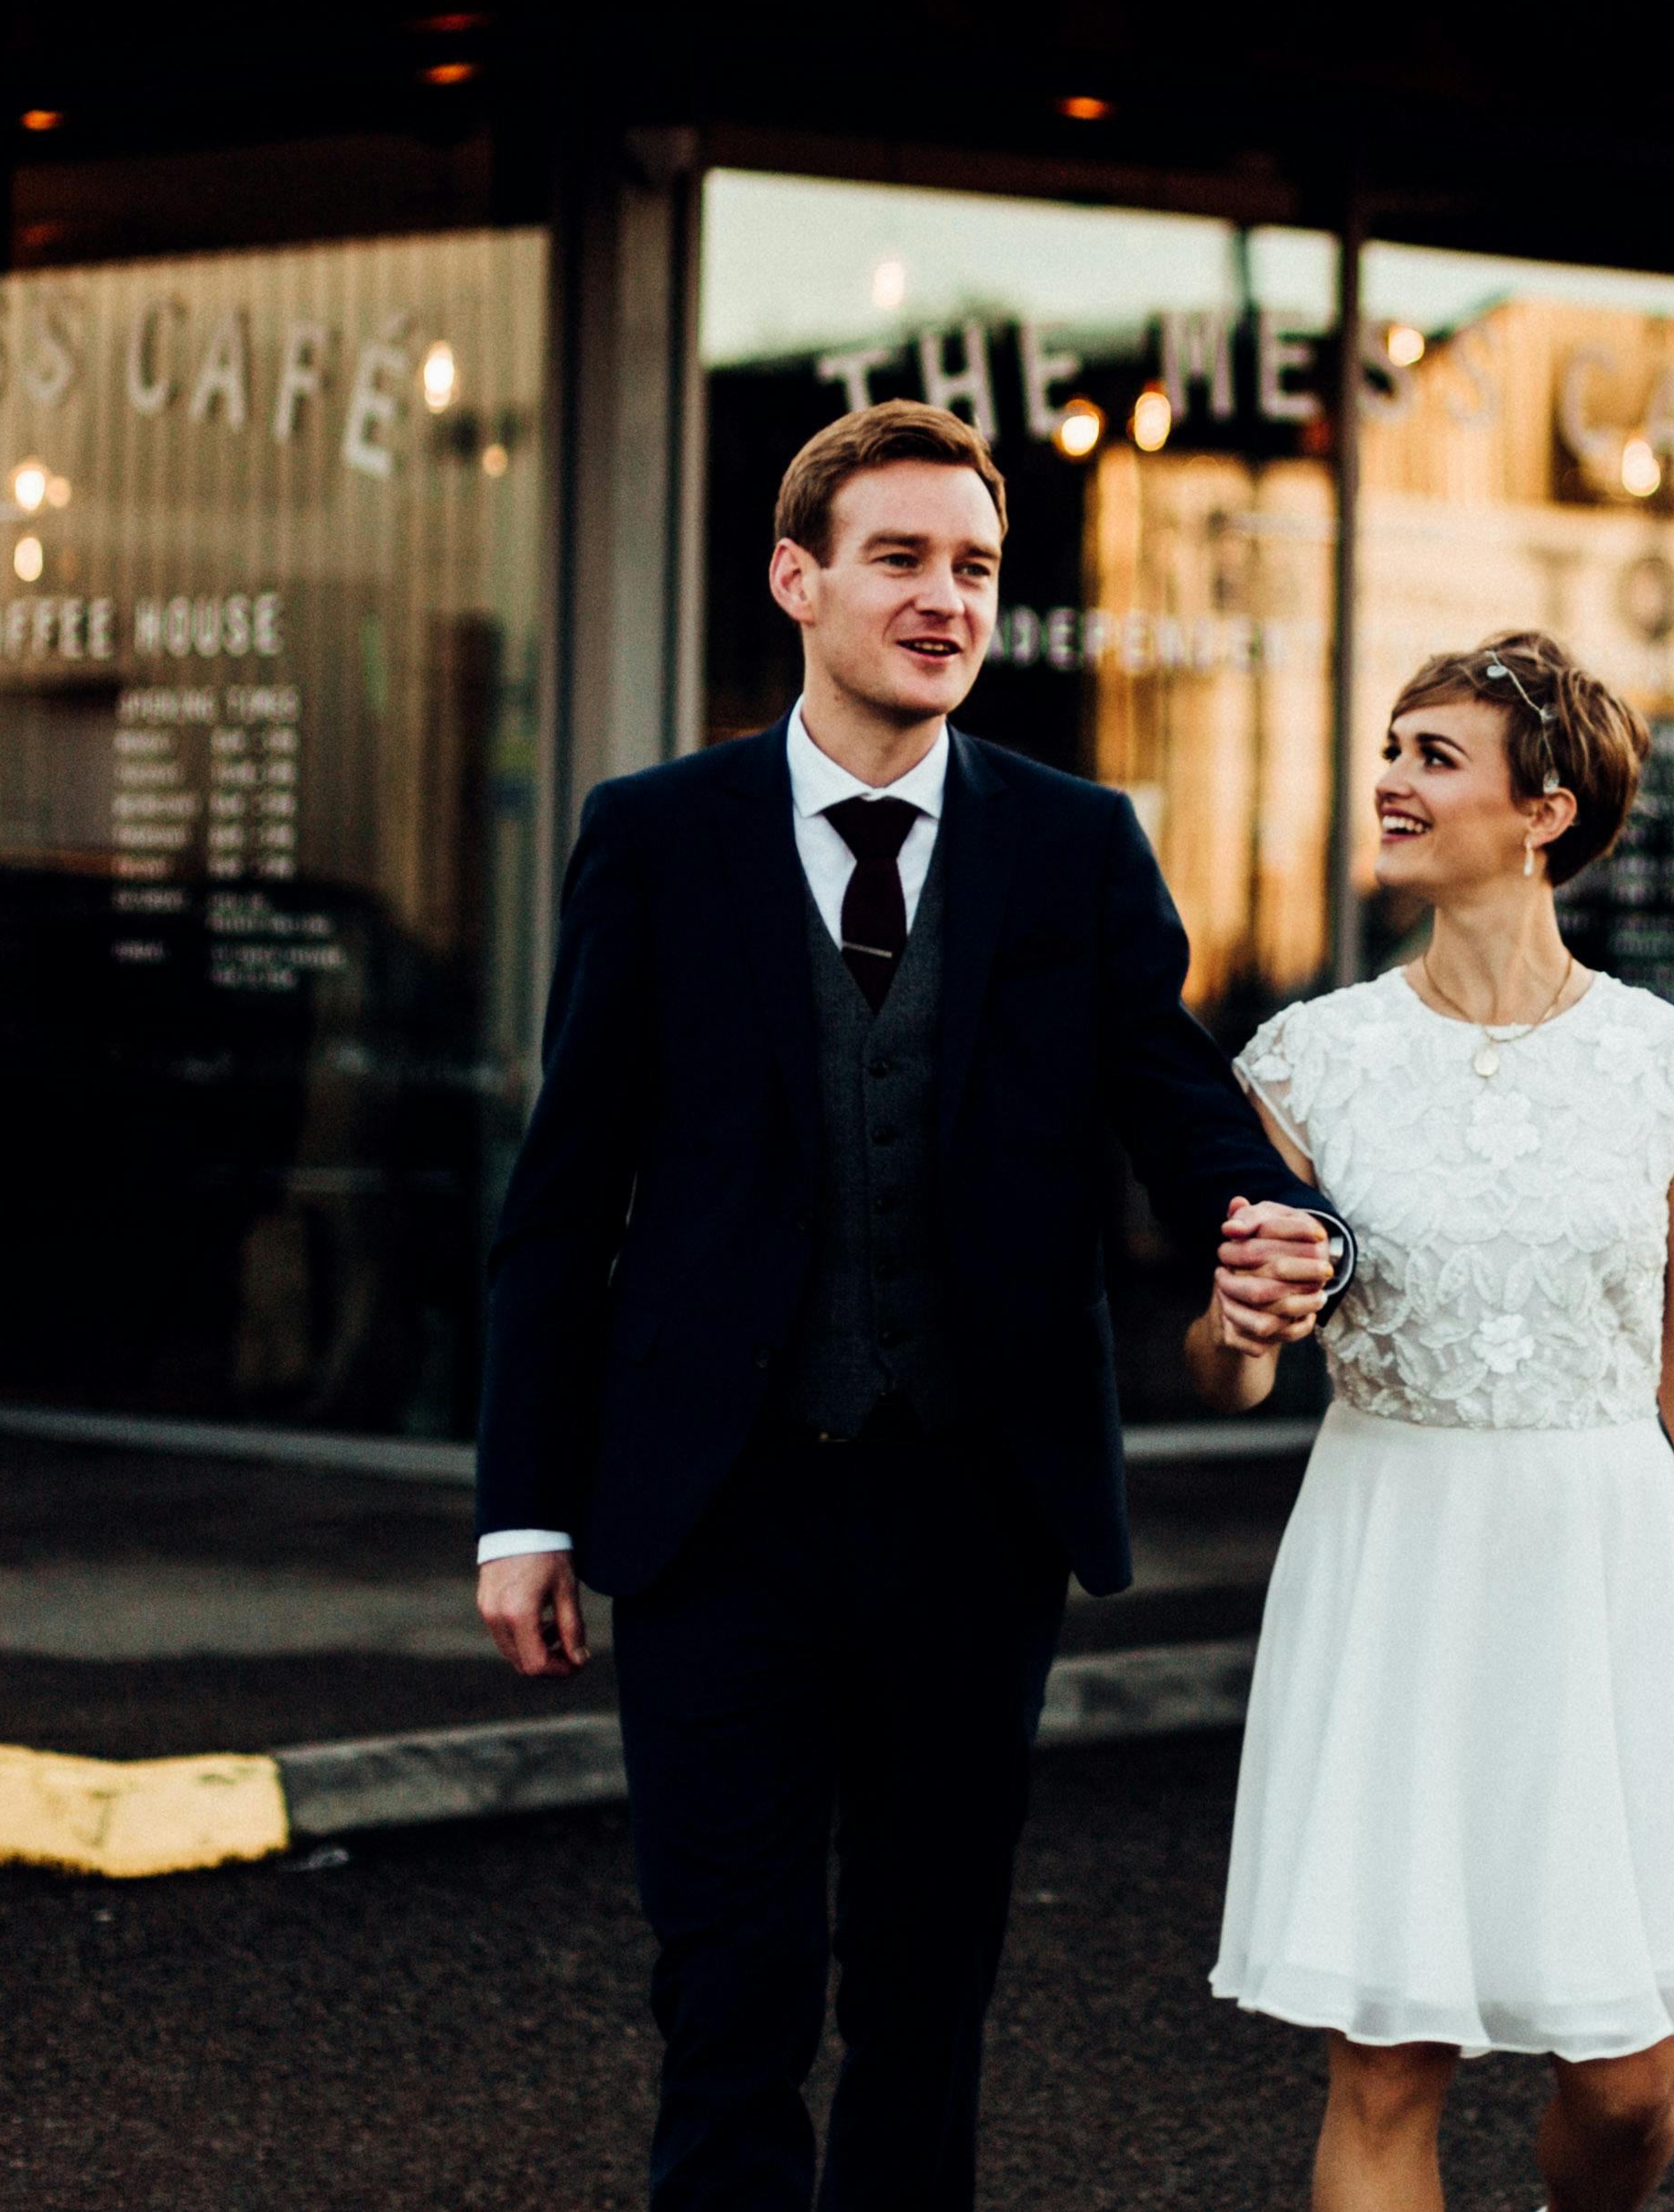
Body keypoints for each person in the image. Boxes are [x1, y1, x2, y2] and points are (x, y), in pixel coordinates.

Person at [473, 397, 1355, 2212]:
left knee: (927, 1974)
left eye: (973, 565)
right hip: (716, 1503)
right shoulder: (652, 836)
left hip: (974, 1499)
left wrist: (1275, 1216)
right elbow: (564, 1197)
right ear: (797, 578)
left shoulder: (1073, 841)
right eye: (900, 557)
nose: (944, 597)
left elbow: (1166, 1087)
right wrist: (524, 1503)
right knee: (732, 1974)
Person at [1198, 628, 1674, 2212]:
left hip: (1605, 1580)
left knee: (1624, 2081)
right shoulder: (1307, 1063)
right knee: (1387, 2056)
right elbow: (1231, 1361)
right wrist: (1238, 1323)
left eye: (1432, 756)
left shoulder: (1673, 1070)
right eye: (1390, 748)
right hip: (1394, 1561)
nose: (1391, 780)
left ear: (1542, 811)